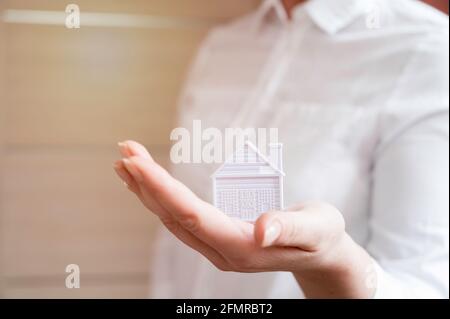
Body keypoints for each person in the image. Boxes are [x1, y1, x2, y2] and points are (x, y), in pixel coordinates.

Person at [113, 0, 449, 298]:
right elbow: (173, 250)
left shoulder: (430, 51)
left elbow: (425, 285)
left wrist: (334, 262)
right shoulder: (221, 46)